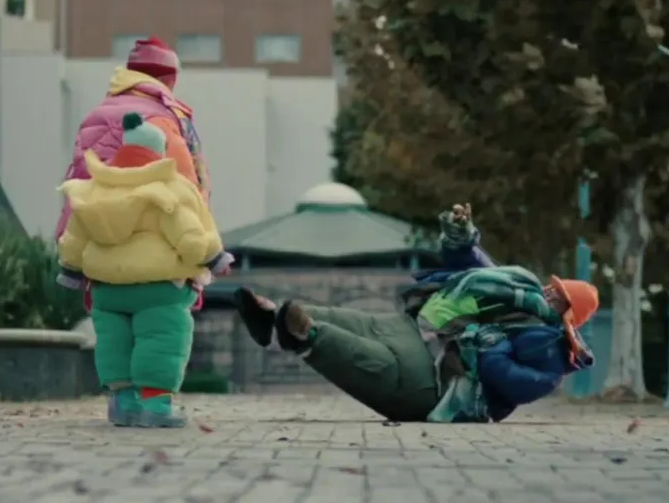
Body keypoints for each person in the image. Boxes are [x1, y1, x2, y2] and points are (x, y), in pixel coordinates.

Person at [232, 204, 597, 422]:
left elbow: (517, 384)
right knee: (353, 321)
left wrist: (491, 347)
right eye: (554, 286)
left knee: (367, 358)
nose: (549, 292)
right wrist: (461, 236)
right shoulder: (517, 291)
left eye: (559, 298)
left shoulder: (548, 350)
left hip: (436, 383)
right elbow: (478, 268)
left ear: (567, 317)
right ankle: (271, 316)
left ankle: (307, 334)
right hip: (417, 329)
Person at [57, 113, 232, 428]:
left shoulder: (96, 188)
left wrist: (70, 268)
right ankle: (156, 405)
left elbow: (75, 237)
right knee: (161, 338)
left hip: (107, 288)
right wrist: (213, 257)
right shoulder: (170, 188)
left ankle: (123, 404)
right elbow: (190, 236)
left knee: (114, 343)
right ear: (159, 151)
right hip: (158, 288)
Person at [55, 37, 213, 308]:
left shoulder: (96, 116)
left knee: (110, 332)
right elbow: (186, 189)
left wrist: (72, 254)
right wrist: (201, 257)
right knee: (161, 334)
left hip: (102, 260)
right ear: (170, 78)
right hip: (156, 268)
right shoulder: (165, 118)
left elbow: (80, 186)